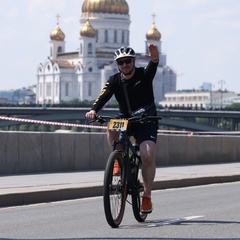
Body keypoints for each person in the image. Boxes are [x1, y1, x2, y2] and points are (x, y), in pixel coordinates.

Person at [85, 44, 159, 213]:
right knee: (111, 127)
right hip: (126, 119)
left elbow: (152, 68)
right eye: (121, 62)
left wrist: (155, 59)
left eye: (127, 61)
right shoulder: (114, 80)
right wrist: (93, 110)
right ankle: (118, 159)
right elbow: (104, 95)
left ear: (133, 62)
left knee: (147, 156)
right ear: (118, 65)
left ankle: (146, 197)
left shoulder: (143, 75)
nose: (125, 65)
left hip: (146, 120)